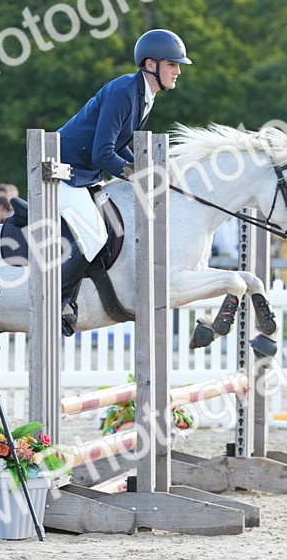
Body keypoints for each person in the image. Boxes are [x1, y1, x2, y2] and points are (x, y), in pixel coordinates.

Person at [56, 28, 190, 333]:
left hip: (85, 173)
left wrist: (147, 169)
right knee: (95, 237)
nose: (178, 71)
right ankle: (60, 302)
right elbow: (103, 154)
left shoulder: (144, 95)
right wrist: (138, 175)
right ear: (151, 64)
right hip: (63, 172)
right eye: (172, 64)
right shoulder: (124, 92)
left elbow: (117, 146)